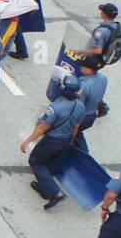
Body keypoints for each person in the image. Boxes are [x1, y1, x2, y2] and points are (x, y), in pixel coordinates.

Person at [19, 75, 85, 210]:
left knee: (36, 162)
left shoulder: (55, 107)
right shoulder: (80, 106)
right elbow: (76, 127)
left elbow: (43, 127)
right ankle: (45, 189)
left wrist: (27, 141)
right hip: (66, 141)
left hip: (51, 141)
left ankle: (55, 192)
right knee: (50, 164)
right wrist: (70, 141)